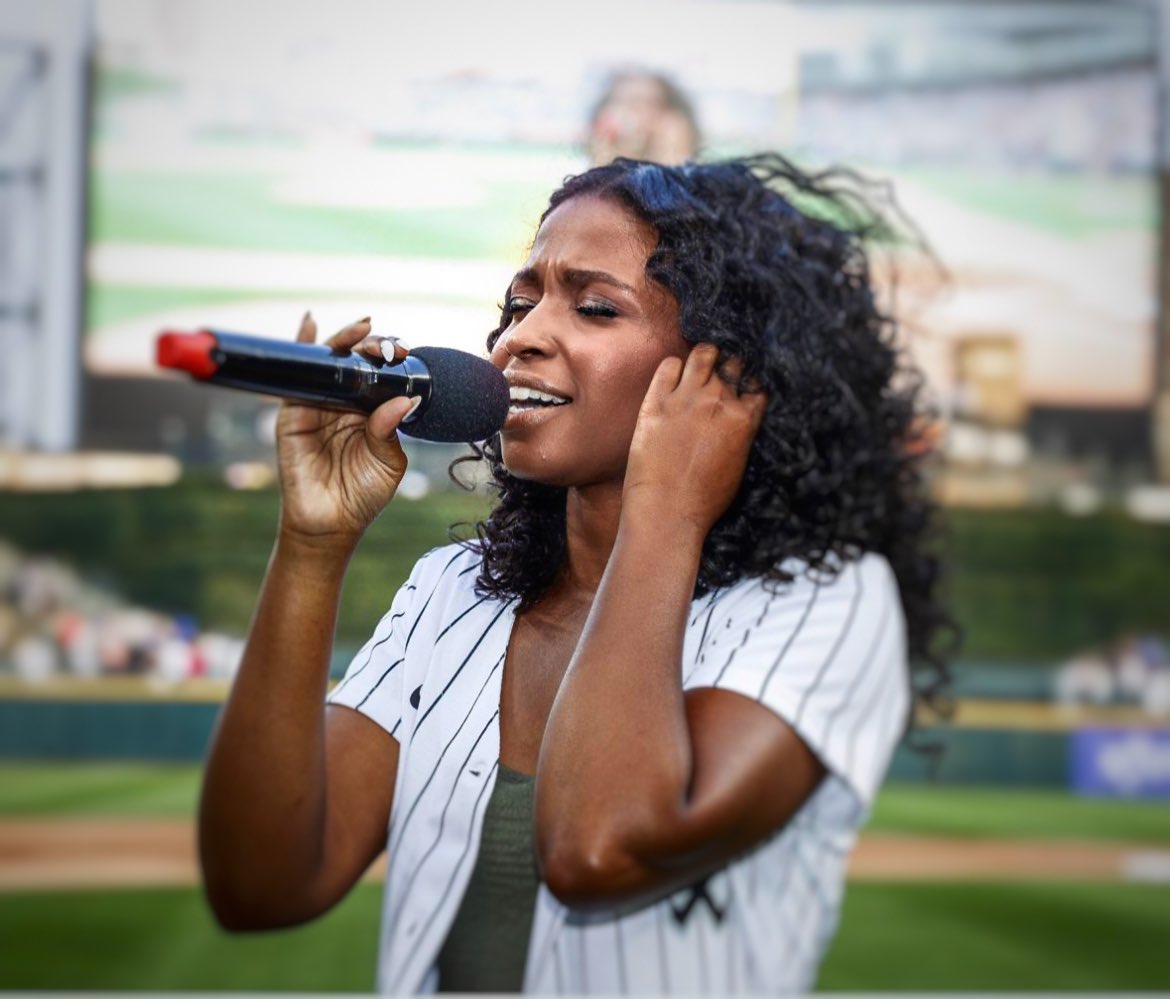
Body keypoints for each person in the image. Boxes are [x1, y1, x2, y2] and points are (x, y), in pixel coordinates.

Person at [198, 154, 953, 993]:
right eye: (522, 304)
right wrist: (312, 542)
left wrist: (665, 509)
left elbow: (597, 846)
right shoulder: (452, 593)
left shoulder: (824, 603)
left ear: (728, 373)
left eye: (594, 307)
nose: (517, 338)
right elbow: (259, 884)